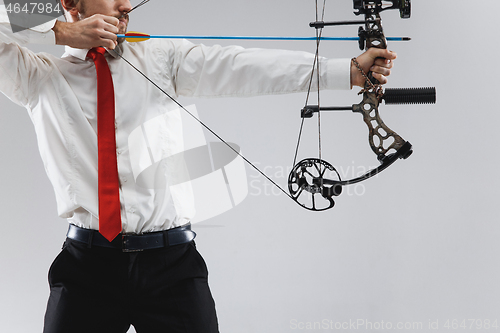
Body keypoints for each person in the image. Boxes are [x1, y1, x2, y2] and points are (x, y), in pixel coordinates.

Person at [0, 0, 397, 332]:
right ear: (71, 2)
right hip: (87, 269)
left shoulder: (162, 58)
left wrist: (345, 71)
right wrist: (59, 30)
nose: (125, 5)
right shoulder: (38, 75)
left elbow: (243, 67)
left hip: (170, 268)